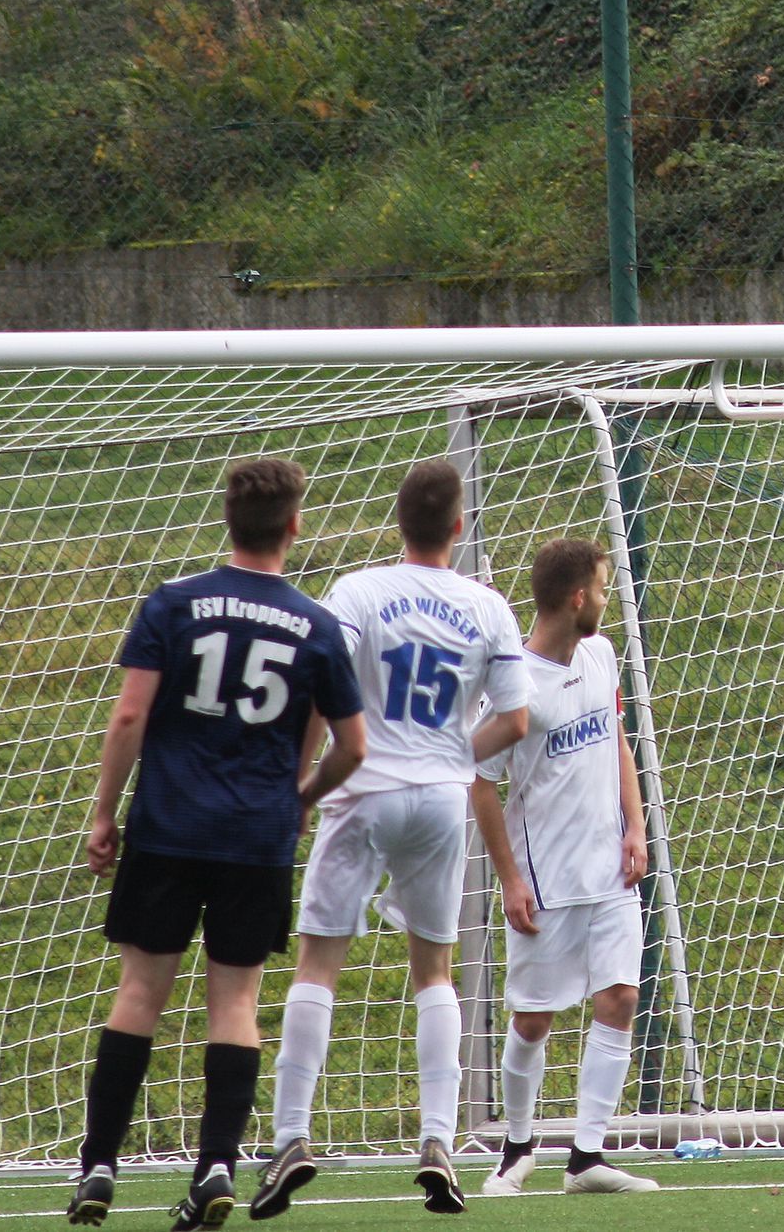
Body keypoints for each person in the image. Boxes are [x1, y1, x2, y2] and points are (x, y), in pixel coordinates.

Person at [67, 459, 368, 1230]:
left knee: (140, 991)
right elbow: (352, 748)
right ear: (294, 525)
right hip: (255, 838)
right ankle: (216, 1169)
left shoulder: (173, 604)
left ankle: (99, 1166)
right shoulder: (318, 626)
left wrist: (104, 813)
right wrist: (297, 798)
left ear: (227, 519)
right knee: (234, 1001)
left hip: (167, 826)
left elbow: (129, 717)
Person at [250, 460, 534, 1220]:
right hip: (442, 801)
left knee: (319, 959)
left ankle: (290, 1136)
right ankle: (438, 1139)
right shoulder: (488, 607)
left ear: (398, 523)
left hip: (363, 789)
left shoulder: (359, 591)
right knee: (433, 968)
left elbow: (323, 684)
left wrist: (303, 781)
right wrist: (447, 757)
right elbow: (515, 719)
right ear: (458, 528)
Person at [475, 538, 657, 1196]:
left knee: (621, 997)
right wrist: (510, 879)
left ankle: (586, 1157)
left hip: (611, 870)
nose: (606, 602)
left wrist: (635, 828)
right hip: (545, 881)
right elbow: (479, 781)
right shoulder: (514, 687)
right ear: (577, 597)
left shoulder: (601, 654)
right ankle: (517, 1148)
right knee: (532, 1019)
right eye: (603, 589)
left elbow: (617, 744)